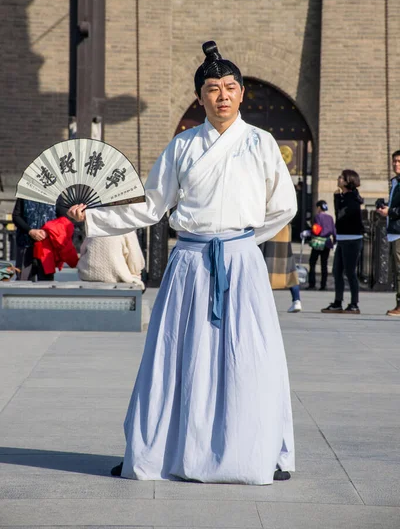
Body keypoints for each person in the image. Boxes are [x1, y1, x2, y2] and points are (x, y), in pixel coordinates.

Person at [68, 41, 297, 485]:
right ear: (201, 97)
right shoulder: (183, 145)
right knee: (175, 357)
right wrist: (94, 217)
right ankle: (155, 451)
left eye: (231, 87)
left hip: (240, 264)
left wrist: (243, 244)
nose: (223, 95)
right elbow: (151, 206)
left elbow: (283, 207)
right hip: (190, 262)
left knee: (250, 358)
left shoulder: (262, 143)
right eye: (213, 88)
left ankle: (258, 452)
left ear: (243, 93)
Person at [322, 170, 364, 314]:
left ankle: (354, 304)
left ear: (347, 181)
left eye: (341, 177)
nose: (338, 179)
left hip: (352, 239)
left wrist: (337, 199)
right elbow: (338, 215)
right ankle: (337, 302)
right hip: (341, 238)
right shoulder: (342, 196)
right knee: (336, 271)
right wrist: (336, 198)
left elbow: (341, 215)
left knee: (350, 272)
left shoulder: (352, 197)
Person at [376, 150, 400, 316]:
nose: (396, 164)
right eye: (394, 161)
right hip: (393, 230)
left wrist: (390, 211)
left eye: (399, 161)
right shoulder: (395, 182)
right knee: (395, 270)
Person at [77, 231, 145, 289]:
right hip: (116, 275)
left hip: (87, 274)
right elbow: (135, 261)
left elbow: (83, 250)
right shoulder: (127, 228)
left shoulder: (95, 225)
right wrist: (136, 273)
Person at [259, 224, 302, 312]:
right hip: (283, 231)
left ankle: (263, 303)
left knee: (263, 269)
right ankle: (296, 300)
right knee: (289, 269)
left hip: (268, 231)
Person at [12, 198, 57, 281]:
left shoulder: (55, 195)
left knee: (46, 281)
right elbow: (16, 216)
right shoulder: (24, 195)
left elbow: (63, 219)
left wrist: (47, 232)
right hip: (25, 243)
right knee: (23, 279)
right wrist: (30, 231)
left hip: (47, 247)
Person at [306, 200, 336, 291]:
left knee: (312, 262)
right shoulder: (330, 217)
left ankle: (312, 283)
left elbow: (317, 230)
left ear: (319, 207)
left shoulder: (317, 217)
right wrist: (335, 241)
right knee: (324, 264)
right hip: (327, 242)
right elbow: (334, 231)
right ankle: (323, 285)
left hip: (318, 242)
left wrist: (309, 232)